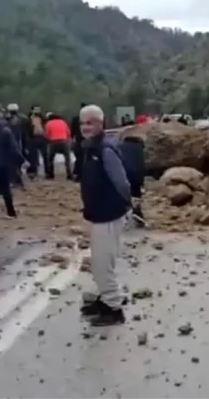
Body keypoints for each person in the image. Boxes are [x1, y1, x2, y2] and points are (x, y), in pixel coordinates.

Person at [78, 104, 132, 326]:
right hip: (98, 214)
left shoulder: (105, 150)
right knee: (101, 261)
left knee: (102, 264)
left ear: (100, 124)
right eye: (82, 123)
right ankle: (105, 298)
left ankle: (113, 308)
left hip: (108, 214)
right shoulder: (91, 147)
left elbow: (122, 182)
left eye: (90, 123)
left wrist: (126, 204)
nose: (85, 127)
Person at [44, 113, 72, 180]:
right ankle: (69, 174)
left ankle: (50, 174)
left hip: (53, 143)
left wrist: (49, 139)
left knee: (50, 159)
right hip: (64, 142)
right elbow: (68, 133)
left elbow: (46, 134)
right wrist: (67, 140)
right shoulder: (63, 122)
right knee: (67, 159)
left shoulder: (48, 123)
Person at [5, 103, 27, 188]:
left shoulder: (6, 119)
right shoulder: (22, 118)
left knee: (11, 163)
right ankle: (18, 180)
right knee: (16, 162)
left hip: (9, 143)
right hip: (18, 143)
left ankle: (15, 180)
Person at [25, 105, 47, 179]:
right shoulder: (29, 119)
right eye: (36, 109)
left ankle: (47, 172)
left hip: (42, 137)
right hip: (33, 138)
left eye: (38, 109)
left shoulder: (42, 118)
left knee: (46, 155)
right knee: (33, 156)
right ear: (32, 110)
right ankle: (33, 172)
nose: (37, 111)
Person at [71, 102, 86, 182]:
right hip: (86, 139)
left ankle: (78, 174)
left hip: (79, 140)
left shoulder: (76, 118)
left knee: (79, 157)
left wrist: (72, 138)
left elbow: (72, 130)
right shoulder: (90, 119)